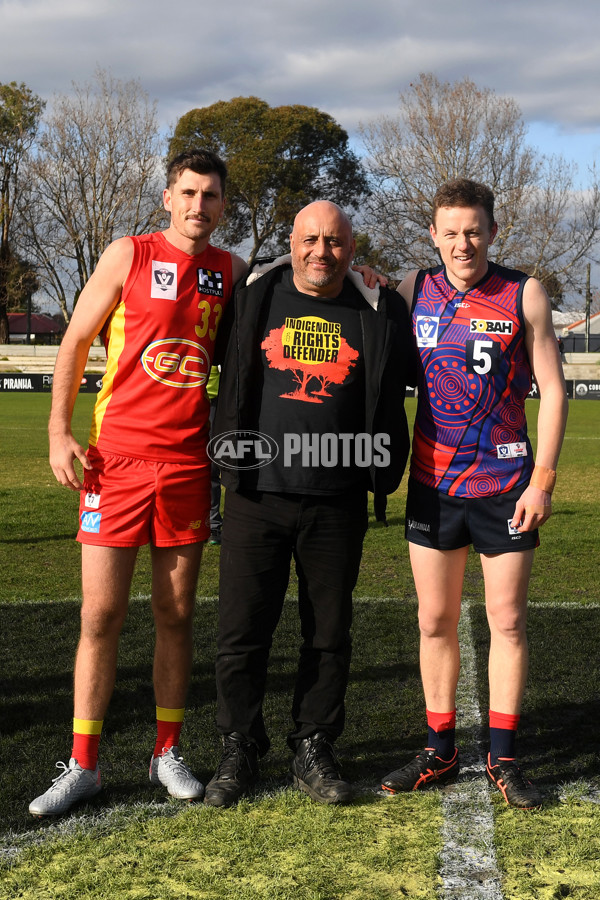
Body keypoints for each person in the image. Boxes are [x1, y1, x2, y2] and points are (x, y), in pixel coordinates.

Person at [29, 150, 248, 816]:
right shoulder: (127, 253)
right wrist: (59, 432)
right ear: (166, 197)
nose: (198, 206)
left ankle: (166, 751)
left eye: (210, 196)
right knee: (101, 616)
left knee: (175, 615)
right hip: (116, 464)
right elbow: (74, 341)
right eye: (188, 193)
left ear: (222, 205)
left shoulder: (231, 271)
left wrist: (364, 277)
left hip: (187, 468)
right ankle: (84, 764)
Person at [203, 201, 412, 807]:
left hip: (338, 499)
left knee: (328, 633)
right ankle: (238, 746)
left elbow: (418, 375)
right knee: (241, 632)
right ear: (291, 242)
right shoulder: (253, 294)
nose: (322, 252)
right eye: (311, 240)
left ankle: (314, 744)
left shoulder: (380, 307)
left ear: (353, 247)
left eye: (336, 242)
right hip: (256, 494)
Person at [381, 178, 568, 809]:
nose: (463, 244)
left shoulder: (524, 292)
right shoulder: (412, 291)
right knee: (434, 620)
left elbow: (553, 389)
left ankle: (505, 757)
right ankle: (439, 749)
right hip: (434, 486)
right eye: (450, 232)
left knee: (507, 622)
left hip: (507, 486)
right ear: (433, 235)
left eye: (474, 230)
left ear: (492, 230)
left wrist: (541, 481)